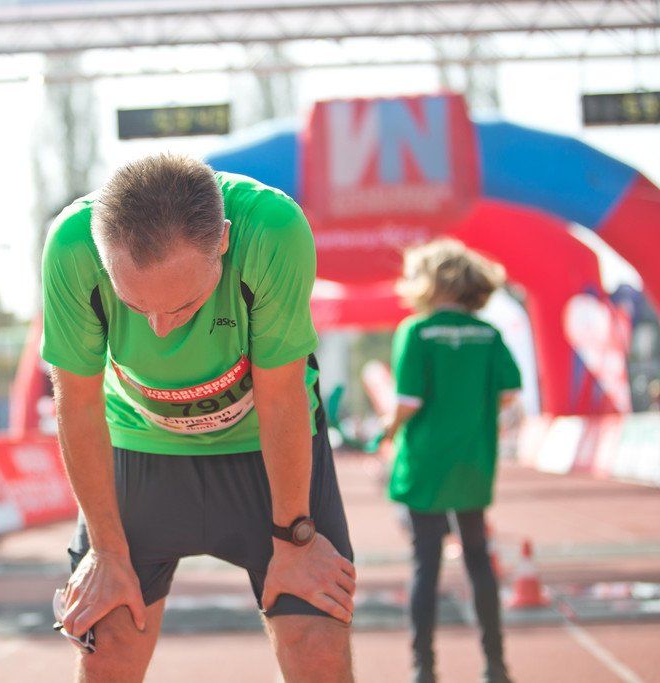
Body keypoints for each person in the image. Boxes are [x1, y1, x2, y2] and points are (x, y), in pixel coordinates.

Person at [41, 154, 356, 682]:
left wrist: (297, 538)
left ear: (224, 241)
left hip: (265, 450)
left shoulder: (273, 230)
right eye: (135, 306)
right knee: (108, 645)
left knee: (317, 647)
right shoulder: (71, 245)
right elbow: (76, 403)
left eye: (184, 307)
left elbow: (282, 396)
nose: (160, 329)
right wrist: (107, 552)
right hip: (138, 448)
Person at [381, 239, 521, 683]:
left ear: (430, 281)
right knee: (478, 558)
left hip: (425, 463)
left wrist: (388, 430)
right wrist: (472, 415)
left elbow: (408, 401)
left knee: (426, 563)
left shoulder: (417, 331)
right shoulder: (489, 334)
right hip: (473, 461)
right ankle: (495, 665)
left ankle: (423, 668)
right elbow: (509, 393)